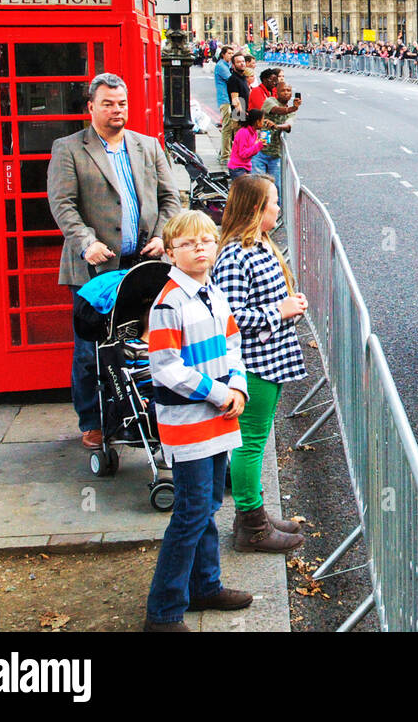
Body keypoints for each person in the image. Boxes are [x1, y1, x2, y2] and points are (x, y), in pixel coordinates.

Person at [47, 72, 182, 449]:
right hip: (95, 269)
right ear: (91, 107)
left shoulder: (147, 146)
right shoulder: (69, 148)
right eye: (108, 104)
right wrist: (85, 242)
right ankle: (92, 421)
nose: (116, 110)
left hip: (143, 266)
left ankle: (144, 417)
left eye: (121, 103)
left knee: (145, 344)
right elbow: (63, 205)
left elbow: (170, 197)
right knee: (92, 350)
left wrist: (161, 235)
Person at [144, 209, 252, 632]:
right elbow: (165, 368)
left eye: (206, 241)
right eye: (188, 244)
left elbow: (232, 343)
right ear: (171, 252)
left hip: (220, 417)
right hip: (189, 423)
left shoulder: (214, 291)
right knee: (190, 511)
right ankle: (164, 611)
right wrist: (220, 392)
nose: (199, 249)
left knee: (207, 505)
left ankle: (205, 585)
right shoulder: (169, 302)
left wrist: (239, 386)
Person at [212, 176, 307, 554]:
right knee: (250, 445)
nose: (279, 208)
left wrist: (289, 303)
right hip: (253, 365)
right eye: (274, 202)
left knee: (256, 441)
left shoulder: (259, 244)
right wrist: (279, 310)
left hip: (272, 359)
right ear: (255, 208)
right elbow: (230, 316)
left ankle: (257, 515)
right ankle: (251, 525)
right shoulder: (236, 255)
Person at [255, 81, 296, 206]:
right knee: (259, 186)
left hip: (275, 154)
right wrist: (293, 108)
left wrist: (277, 126)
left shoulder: (291, 111)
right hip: (259, 152)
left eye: (288, 91)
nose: (286, 93)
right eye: (283, 90)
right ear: (277, 92)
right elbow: (276, 110)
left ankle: (276, 216)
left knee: (276, 186)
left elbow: (289, 125)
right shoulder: (270, 101)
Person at [214, 46, 235, 165]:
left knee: (231, 127)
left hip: (230, 99)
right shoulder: (221, 66)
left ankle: (223, 153)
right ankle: (225, 156)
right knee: (227, 128)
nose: (231, 55)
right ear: (223, 54)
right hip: (225, 100)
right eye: (229, 53)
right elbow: (231, 79)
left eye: (232, 53)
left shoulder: (226, 65)